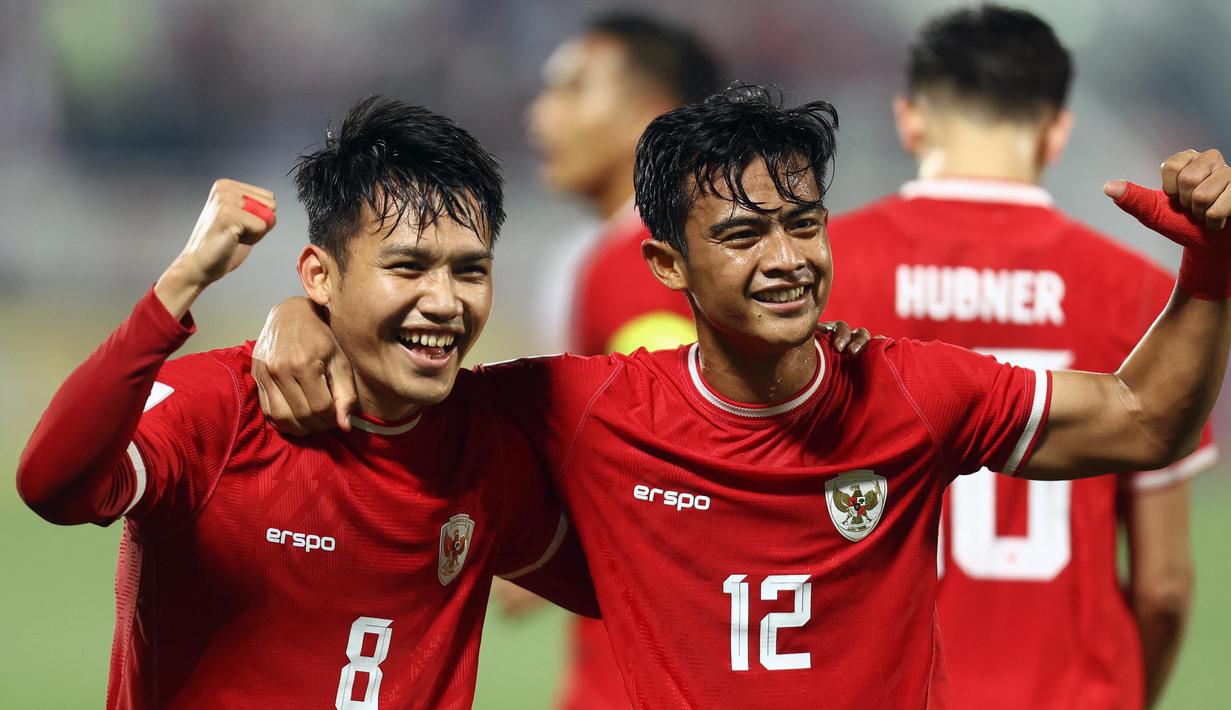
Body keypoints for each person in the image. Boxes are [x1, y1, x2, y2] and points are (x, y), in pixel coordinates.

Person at [254, 84, 1231, 708]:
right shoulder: (583, 409)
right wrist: (301, 315)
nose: (785, 259)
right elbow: (402, 378)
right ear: (666, 263)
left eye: (801, 224)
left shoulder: (914, 388)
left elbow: (1144, 416)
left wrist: (1211, 266)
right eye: (743, 234)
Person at [14, 96, 599, 709]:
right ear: (319, 275)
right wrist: (180, 285)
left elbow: (631, 582)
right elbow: (52, 486)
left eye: (471, 271)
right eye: (408, 267)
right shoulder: (219, 410)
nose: (445, 302)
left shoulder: (488, 446)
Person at [822, 7, 1216, 708]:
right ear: (1057, 131)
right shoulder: (1139, 294)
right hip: (1071, 692)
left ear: (908, 119)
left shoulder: (822, 275)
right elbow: (1161, 584)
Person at [524, 13, 722, 708]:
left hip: (647, 669)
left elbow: (666, 465)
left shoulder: (643, 263)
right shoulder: (691, 248)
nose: (540, 112)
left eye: (573, 89)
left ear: (649, 116)